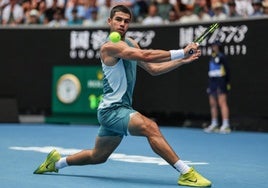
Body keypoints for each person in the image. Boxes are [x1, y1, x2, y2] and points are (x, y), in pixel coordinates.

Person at [33, 5, 211, 187]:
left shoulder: (132, 43)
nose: (122, 24)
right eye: (118, 20)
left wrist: (182, 60)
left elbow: (153, 69)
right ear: (109, 21)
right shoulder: (109, 47)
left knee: (97, 156)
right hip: (112, 110)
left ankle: (55, 163)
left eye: (126, 21)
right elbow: (147, 55)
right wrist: (182, 51)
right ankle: (186, 173)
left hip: (118, 110)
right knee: (151, 127)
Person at [204, 41, 231, 134]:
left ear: (219, 47)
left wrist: (227, 82)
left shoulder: (222, 56)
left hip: (221, 81)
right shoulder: (212, 56)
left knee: (222, 103)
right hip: (212, 81)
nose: (213, 47)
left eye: (215, 46)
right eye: (212, 46)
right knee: (212, 103)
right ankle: (214, 124)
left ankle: (226, 125)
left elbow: (227, 70)